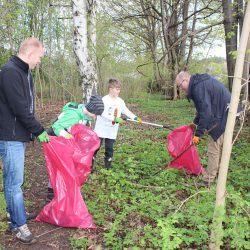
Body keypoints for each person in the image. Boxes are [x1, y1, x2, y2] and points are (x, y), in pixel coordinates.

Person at [0, 38, 49, 244]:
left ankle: (15, 212)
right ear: (30, 54)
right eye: (39, 57)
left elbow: (27, 106)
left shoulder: (23, 71)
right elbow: (20, 108)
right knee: (15, 182)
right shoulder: (11, 71)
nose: (39, 61)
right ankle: (18, 225)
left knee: (13, 180)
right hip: (9, 136)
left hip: (17, 134)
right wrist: (38, 130)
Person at [175, 71, 241, 187]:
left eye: (180, 85)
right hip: (225, 113)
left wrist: (198, 135)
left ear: (185, 80)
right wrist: (195, 123)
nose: (181, 89)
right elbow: (202, 109)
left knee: (213, 148)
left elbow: (206, 113)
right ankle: (220, 174)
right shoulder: (198, 84)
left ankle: (209, 180)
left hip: (225, 115)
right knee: (221, 146)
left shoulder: (198, 87)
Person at [46, 95, 104, 201]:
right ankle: (52, 192)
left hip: (64, 140)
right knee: (58, 165)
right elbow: (56, 127)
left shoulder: (82, 112)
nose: (95, 117)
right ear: (91, 110)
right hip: (55, 140)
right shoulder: (74, 115)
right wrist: (66, 135)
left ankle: (70, 189)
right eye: (95, 114)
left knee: (69, 164)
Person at [94, 78, 141, 169]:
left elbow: (126, 111)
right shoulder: (104, 100)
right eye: (117, 89)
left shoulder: (120, 101)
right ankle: (90, 163)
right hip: (101, 128)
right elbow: (102, 113)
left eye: (119, 89)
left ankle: (108, 166)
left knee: (109, 148)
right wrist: (115, 118)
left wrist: (134, 117)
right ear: (110, 88)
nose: (119, 91)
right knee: (96, 146)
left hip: (112, 129)